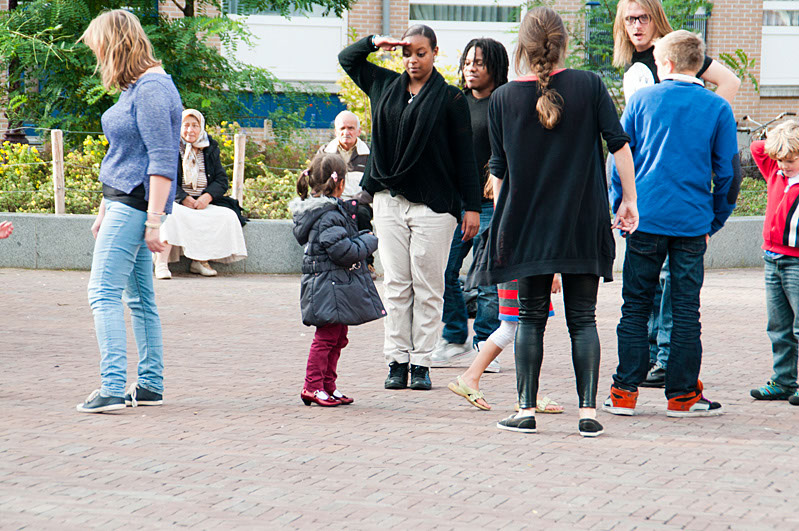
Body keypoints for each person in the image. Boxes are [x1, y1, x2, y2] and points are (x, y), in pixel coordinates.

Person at [469, 6, 638, 437]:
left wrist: (505, 225)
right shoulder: (589, 85)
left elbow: (497, 170)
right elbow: (619, 146)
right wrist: (628, 202)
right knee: (584, 318)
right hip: (583, 221)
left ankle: (525, 409)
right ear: (564, 43)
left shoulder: (503, 98)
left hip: (527, 226)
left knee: (528, 318)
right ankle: (589, 414)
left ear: (522, 48)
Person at [605, 30, 741, 419]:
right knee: (685, 310)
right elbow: (729, 173)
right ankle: (682, 396)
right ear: (699, 65)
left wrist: (622, 204)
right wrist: (715, 219)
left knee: (635, 306)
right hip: (691, 222)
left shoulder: (641, 101)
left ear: (663, 63)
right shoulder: (716, 108)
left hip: (644, 218)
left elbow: (618, 158)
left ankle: (624, 394)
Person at [339, 25, 482, 391]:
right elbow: (347, 58)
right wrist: (377, 43)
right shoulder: (384, 84)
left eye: (421, 52)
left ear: (435, 52)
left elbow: (465, 159)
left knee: (428, 286)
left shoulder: (451, 99)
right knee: (397, 285)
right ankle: (397, 361)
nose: (413, 60)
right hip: (388, 201)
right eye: (407, 53)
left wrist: (471, 207)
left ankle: (421, 363)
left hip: (434, 208)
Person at [76, 10, 182, 413]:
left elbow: (160, 159)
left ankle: (113, 387)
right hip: (124, 203)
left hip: (135, 206)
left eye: (98, 47)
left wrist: (155, 221)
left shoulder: (152, 88)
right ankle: (150, 385)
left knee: (102, 293)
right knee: (139, 299)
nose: (97, 56)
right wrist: (105, 206)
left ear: (116, 43)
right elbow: (127, 154)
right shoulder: (139, 86)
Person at [449, 177, 563, 413]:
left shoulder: (509, 180)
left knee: (513, 327)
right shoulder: (523, 181)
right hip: (524, 263)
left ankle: (478, 380)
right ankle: (526, 392)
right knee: (526, 327)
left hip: (514, 261)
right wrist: (550, 268)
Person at [431, 37, 507, 371]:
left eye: (479, 62)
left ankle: (484, 342)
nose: (471, 68)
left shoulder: (504, 103)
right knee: (444, 271)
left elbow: (515, 148)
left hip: (490, 204)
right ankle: (454, 336)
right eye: (467, 62)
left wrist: (500, 174)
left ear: (495, 67)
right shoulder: (455, 102)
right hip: (455, 205)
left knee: (487, 279)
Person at [290, 152, 385, 406]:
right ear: (340, 182)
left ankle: (328, 385)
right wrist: (368, 240)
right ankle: (312, 386)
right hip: (327, 286)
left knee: (337, 336)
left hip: (332, 286)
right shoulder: (328, 215)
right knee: (326, 338)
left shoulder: (326, 211)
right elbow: (343, 252)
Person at [154, 109, 247, 279]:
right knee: (171, 216)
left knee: (226, 216)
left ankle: (200, 261)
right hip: (177, 201)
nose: (190, 130)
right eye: (186, 125)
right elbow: (165, 177)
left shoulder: (210, 146)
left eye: (195, 125)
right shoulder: (171, 146)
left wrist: (207, 197)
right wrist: (183, 198)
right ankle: (161, 263)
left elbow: (221, 179)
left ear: (201, 127)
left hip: (202, 202)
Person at [748, 121, 799, 405]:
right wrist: (780, 135)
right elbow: (758, 148)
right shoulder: (774, 171)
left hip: (797, 262)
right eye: (780, 159)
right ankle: (783, 381)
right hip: (772, 258)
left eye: (790, 160)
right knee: (778, 326)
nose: (784, 165)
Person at [317, 110, 375, 275]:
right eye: (342, 128)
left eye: (351, 128)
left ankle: (367, 264)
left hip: (360, 203)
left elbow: (374, 184)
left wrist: (355, 201)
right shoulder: (325, 152)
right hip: (331, 201)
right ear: (335, 131)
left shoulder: (370, 153)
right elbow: (316, 181)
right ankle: (326, 263)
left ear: (358, 130)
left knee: (363, 216)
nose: (346, 132)